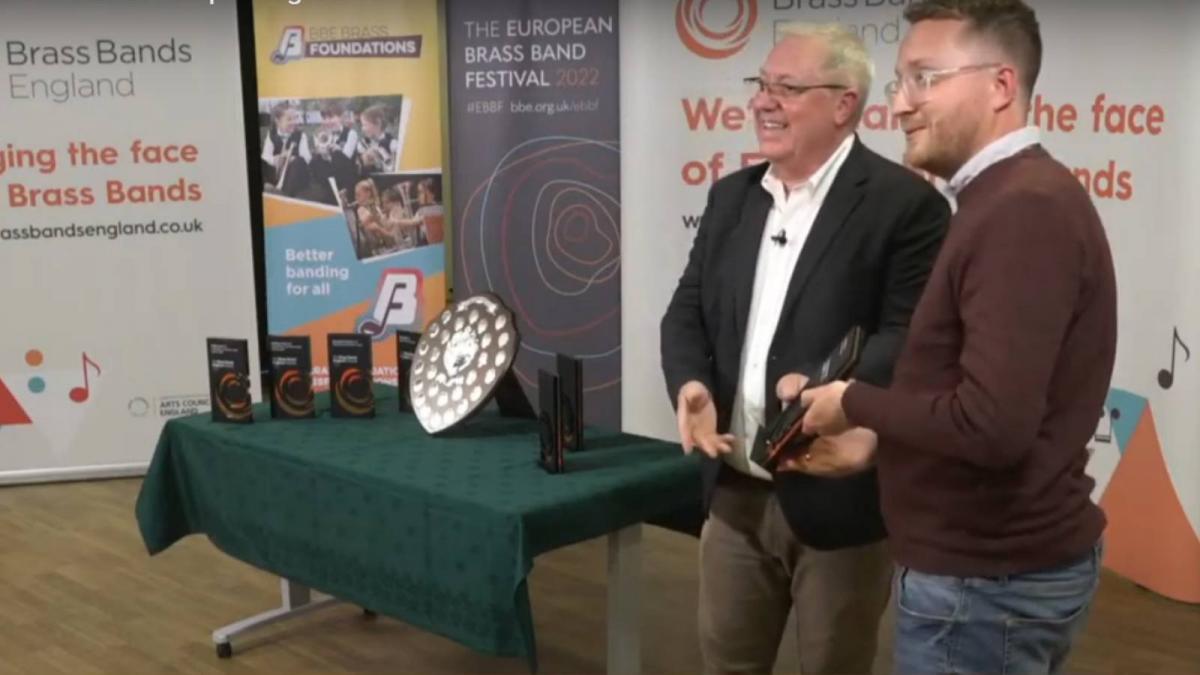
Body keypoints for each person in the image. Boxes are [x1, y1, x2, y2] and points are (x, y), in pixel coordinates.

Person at [798, 2, 1116, 673]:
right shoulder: (1002, 198)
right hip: (987, 583)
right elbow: (976, 402)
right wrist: (879, 440)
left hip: (983, 589)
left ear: (1000, 85)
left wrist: (853, 403)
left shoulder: (1022, 209)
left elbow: (992, 426)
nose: (902, 105)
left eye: (925, 78)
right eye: (900, 82)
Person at [659, 22, 951, 674]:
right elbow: (684, 312)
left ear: (844, 103)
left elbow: (910, 338)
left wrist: (835, 400)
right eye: (760, 85)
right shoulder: (731, 197)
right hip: (733, 493)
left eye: (786, 88)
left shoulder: (906, 206)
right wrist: (690, 385)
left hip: (840, 508)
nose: (763, 101)